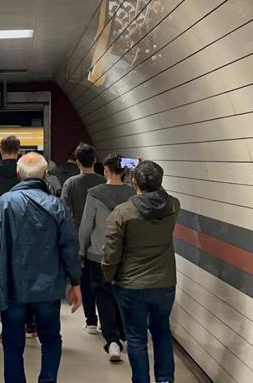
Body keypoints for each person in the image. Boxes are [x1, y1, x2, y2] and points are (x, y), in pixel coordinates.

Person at [0, 152, 82, 383]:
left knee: (13, 345)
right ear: (45, 175)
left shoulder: (4, 203)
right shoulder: (57, 206)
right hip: (48, 288)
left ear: (18, 173)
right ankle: (47, 379)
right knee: (51, 338)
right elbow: (69, 247)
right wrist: (75, 282)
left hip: (11, 285)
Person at [102, 161, 180, 383]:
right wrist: (153, 177)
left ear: (133, 182)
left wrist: (108, 276)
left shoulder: (122, 212)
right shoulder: (174, 205)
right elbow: (161, 196)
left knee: (136, 338)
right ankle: (165, 380)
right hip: (164, 283)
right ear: (160, 183)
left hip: (130, 285)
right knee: (162, 332)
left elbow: (112, 252)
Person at [79, 154, 136, 362]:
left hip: (98, 254)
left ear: (105, 171)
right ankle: (124, 334)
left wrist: (82, 251)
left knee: (103, 296)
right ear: (125, 171)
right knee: (121, 293)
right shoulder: (132, 194)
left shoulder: (94, 194)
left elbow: (86, 226)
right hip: (125, 255)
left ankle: (112, 341)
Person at [61, 143, 105, 335]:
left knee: (84, 280)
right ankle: (106, 319)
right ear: (95, 160)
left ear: (77, 162)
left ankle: (91, 321)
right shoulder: (105, 182)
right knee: (103, 283)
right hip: (101, 237)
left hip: (78, 237)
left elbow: (63, 211)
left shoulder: (70, 183)